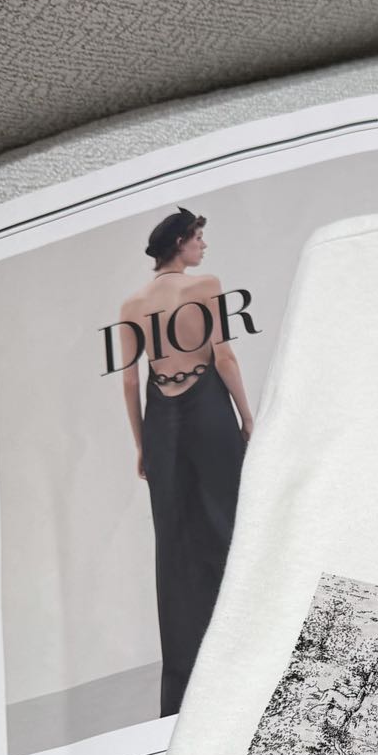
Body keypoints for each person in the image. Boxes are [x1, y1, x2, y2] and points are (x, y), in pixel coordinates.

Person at [120, 206, 252, 717]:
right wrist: (248, 417)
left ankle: (187, 685)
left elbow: (129, 380)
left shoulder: (132, 304)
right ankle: (250, 653)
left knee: (174, 544)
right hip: (209, 409)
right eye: (198, 237)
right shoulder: (206, 286)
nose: (203, 246)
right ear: (179, 242)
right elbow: (224, 356)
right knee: (229, 523)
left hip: (161, 421)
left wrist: (141, 445)